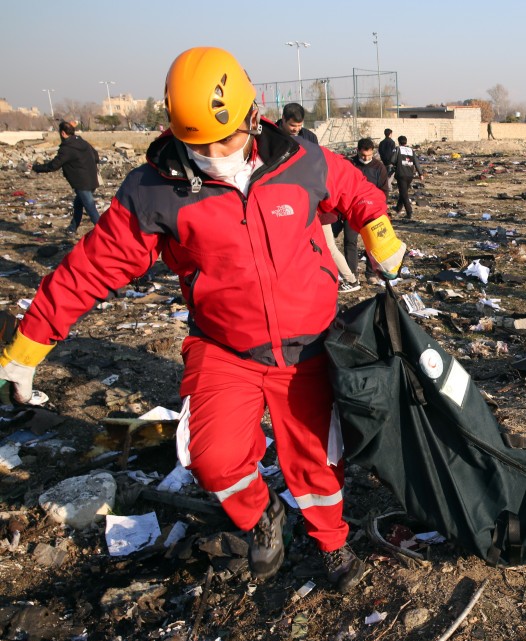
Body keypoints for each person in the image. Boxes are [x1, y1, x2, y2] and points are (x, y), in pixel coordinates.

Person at [0, 47, 406, 588]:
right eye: (199, 144)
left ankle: (331, 543)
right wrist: (26, 348)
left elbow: (357, 192)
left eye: (225, 138)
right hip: (225, 349)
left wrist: (380, 233)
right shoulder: (153, 192)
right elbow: (87, 271)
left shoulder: (302, 161)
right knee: (212, 459)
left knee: (315, 461)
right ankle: (263, 518)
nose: (214, 152)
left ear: (251, 114)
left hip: (308, 348)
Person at [275, 103, 359, 294]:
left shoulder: (308, 137)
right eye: (292, 126)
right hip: (283, 198)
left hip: (311, 200)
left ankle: (350, 279)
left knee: (327, 244)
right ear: (283, 121)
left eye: (299, 125)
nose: (296, 130)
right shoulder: (272, 135)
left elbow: (318, 166)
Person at [32, 121, 101, 236]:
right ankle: (72, 228)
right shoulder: (81, 141)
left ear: (63, 133)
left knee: (90, 208)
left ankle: (104, 233)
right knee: (78, 204)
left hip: (81, 183)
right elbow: (96, 156)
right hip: (92, 179)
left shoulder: (67, 148)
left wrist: (36, 168)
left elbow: (53, 165)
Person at [344, 138, 389, 285]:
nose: (366, 158)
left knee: (373, 243)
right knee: (350, 241)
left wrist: (379, 208)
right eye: (363, 155)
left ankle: (371, 273)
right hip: (352, 210)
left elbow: (384, 190)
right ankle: (352, 274)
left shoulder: (379, 167)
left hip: (371, 212)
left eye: (369, 155)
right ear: (357, 151)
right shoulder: (350, 164)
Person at [393, 135, 424, 220]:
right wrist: (420, 174)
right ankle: (398, 208)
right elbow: (416, 163)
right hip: (410, 175)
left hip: (401, 174)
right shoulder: (411, 150)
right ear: (406, 142)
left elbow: (393, 160)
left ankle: (409, 212)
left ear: (399, 142)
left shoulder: (398, 149)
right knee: (403, 192)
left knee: (404, 194)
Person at [378, 128, 397, 193]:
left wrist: (383, 158)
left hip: (384, 162)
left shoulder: (381, 142)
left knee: (385, 175)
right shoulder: (392, 142)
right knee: (390, 176)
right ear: (390, 134)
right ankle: (388, 188)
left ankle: (386, 187)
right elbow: (393, 152)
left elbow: (380, 151)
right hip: (390, 162)